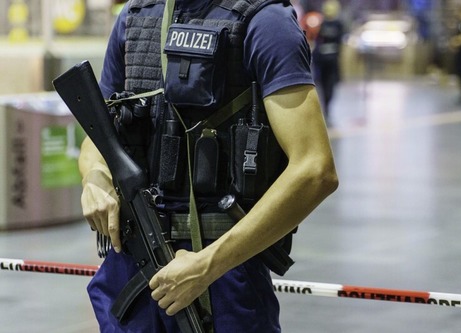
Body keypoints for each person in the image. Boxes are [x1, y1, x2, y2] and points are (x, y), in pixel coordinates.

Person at [78, 0, 339, 332]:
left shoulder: (266, 22)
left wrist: (208, 265)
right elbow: (96, 136)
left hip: (221, 275)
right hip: (133, 262)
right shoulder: (135, 17)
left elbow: (315, 169)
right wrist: (95, 178)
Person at [312, 0, 344, 119]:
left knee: (329, 86)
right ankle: (325, 107)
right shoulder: (320, 23)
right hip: (323, 61)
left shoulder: (337, 24)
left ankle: (327, 107)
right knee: (324, 85)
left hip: (330, 61)